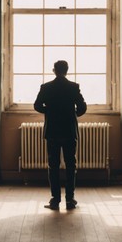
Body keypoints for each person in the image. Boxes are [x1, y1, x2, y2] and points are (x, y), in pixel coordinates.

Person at [33, 60, 87, 210]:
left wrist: (49, 112)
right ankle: (70, 199)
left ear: (54, 70)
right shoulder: (73, 87)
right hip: (69, 130)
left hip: (53, 131)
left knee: (53, 166)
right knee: (71, 165)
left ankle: (55, 200)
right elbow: (82, 107)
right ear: (67, 70)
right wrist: (73, 114)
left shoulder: (46, 87)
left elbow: (37, 105)